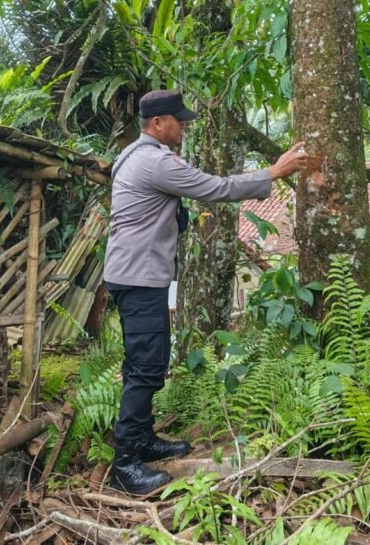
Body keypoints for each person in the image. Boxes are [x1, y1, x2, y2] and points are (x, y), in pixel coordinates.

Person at [104, 90, 307, 495]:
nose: (183, 126)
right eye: (178, 120)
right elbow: (216, 188)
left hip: (137, 275)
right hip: (140, 278)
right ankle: (125, 464)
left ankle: (141, 440)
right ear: (157, 123)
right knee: (145, 367)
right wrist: (274, 172)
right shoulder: (154, 161)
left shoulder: (131, 155)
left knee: (146, 362)